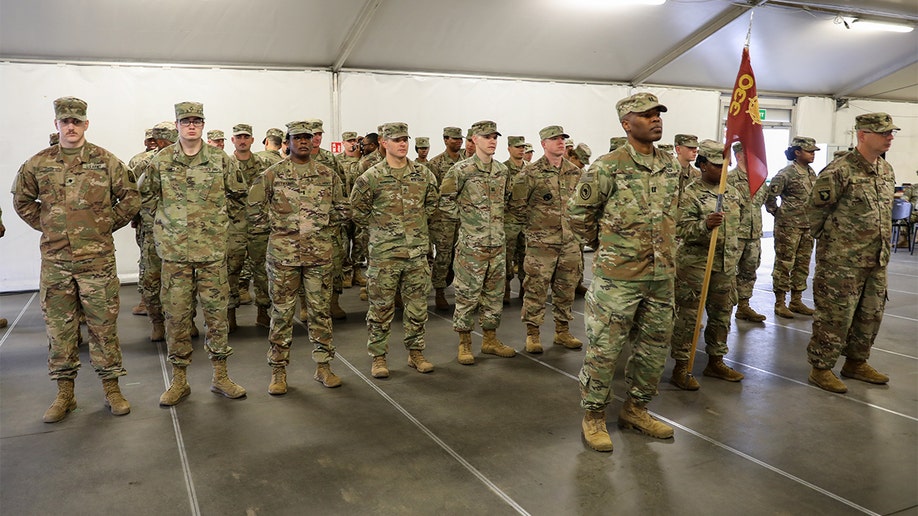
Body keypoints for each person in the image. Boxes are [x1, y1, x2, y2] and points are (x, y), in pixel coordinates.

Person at [12, 96, 139, 422]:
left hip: (96, 260)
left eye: (76, 121)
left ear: (85, 124)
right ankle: (64, 394)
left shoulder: (105, 161)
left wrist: (104, 224)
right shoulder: (38, 163)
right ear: (56, 125)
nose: (70, 126)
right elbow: (22, 199)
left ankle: (112, 388)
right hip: (56, 261)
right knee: (59, 328)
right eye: (64, 121)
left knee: (103, 326)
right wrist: (48, 224)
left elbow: (130, 197)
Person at [567, 92, 679, 452]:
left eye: (657, 114)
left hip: (661, 276)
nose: (655, 119)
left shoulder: (671, 165)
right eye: (646, 115)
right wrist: (607, 247)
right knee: (605, 350)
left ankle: (637, 409)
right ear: (626, 124)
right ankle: (594, 416)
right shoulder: (606, 167)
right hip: (618, 279)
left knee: (653, 349)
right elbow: (578, 216)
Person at [141, 101, 247, 406]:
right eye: (185, 121)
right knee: (176, 316)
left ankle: (221, 376)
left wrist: (221, 227)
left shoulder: (219, 159)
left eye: (197, 121)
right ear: (176, 125)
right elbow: (146, 198)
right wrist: (165, 228)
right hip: (175, 255)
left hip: (212, 252)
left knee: (217, 315)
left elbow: (239, 197)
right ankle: (179, 380)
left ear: (203, 125)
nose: (191, 125)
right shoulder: (160, 160)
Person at [255, 121, 350, 394]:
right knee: (282, 314)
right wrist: (279, 229)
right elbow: (254, 211)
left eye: (308, 137)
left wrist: (321, 228)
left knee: (320, 312)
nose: (304, 142)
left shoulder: (327, 174)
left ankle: (324, 366)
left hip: (319, 256)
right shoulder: (273, 174)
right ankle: (278, 371)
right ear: (288, 142)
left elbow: (343, 209)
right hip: (283, 257)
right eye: (298, 137)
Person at [805, 113, 897, 393]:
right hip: (841, 262)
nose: (889, 137)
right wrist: (837, 246)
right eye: (883, 133)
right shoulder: (839, 170)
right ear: (862, 135)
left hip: (876, 258)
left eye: (891, 133)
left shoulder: (886, 170)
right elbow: (814, 215)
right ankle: (821, 368)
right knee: (835, 316)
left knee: (870, 315)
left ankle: (856, 362)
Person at [350, 122, 439, 378]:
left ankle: (416, 353)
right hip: (385, 256)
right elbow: (358, 212)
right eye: (396, 139)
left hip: (416, 253)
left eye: (405, 139)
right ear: (383, 143)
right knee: (380, 308)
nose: (402, 144)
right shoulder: (371, 177)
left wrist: (415, 228)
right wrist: (382, 232)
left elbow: (432, 205)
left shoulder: (423, 174)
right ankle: (378, 357)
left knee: (418, 307)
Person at [669, 140, 745, 391]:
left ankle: (716, 360)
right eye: (716, 166)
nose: (723, 171)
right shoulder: (689, 194)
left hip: (725, 265)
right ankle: (681, 365)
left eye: (726, 166)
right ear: (702, 165)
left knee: (722, 315)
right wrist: (705, 226)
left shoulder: (732, 193)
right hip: (696, 265)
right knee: (689, 317)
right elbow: (679, 229)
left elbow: (738, 228)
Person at [439, 121, 517, 364]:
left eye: (495, 136)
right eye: (487, 136)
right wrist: (468, 219)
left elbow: (506, 201)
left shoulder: (502, 171)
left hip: (497, 245)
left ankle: (490, 340)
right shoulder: (461, 170)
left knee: (494, 294)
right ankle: (464, 343)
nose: (492, 140)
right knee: (467, 295)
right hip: (472, 246)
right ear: (474, 139)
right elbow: (445, 201)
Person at [508, 125, 583, 354]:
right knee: (536, 289)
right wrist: (532, 232)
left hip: (569, 242)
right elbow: (517, 208)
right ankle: (533, 333)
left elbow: (582, 206)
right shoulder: (530, 174)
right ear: (543, 144)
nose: (560, 142)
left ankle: (562, 331)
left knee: (566, 288)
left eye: (562, 138)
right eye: (554, 139)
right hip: (541, 245)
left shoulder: (575, 172)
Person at [765, 136, 819, 318]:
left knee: (802, 264)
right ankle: (780, 302)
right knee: (784, 264)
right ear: (797, 152)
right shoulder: (786, 173)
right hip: (788, 227)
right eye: (809, 151)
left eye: (813, 151)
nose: (813, 154)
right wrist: (778, 214)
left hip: (807, 226)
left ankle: (796, 300)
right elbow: (770, 197)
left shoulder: (811, 173)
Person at [133, 122, 177, 341]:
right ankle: (157, 323)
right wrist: (137, 219)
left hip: (178, 234)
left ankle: (182, 323)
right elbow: (131, 194)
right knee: (151, 279)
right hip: (151, 231)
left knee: (181, 283)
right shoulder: (144, 165)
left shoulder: (182, 163)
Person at [306, 119, 349, 320]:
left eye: (319, 134)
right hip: (305, 224)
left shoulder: (330, 160)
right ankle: (305, 306)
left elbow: (341, 187)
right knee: (304, 265)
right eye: (313, 134)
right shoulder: (297, 159)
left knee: (336, 262)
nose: (316, 138)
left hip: (330, 222)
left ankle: (334, 302)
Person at [229, 124, 269, 329]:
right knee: (230, 270)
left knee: (262, 271)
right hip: (233, 226)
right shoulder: (225, 164)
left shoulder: (263, 166)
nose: (242, 140)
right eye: (239, 137)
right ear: (232, 140)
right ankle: (230, 315)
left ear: (252, 140)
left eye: (246, 137)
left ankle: (263, 311)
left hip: (259, 225)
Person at [727, 142, 769, 322]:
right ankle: (724, 308)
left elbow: (764, 200)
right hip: (735, 234)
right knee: (727, 273)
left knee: (749, 271)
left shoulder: (758, 178)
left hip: (754, 233)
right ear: (739, 156)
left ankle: (743, 306)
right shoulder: (729, 180)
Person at [426, 126, 465, 310]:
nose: (458, 141)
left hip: (464, 218)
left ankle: (464, 290)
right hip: (443, 219)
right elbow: (432, 193)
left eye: (460, 139)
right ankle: (440, 291)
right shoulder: (435, 163)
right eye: (453, 139)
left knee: (463, 256)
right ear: (445, 140)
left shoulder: (467, 162)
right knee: (443, 255)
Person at [503, 135, 528, 304]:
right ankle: (505, 288)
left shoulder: (530, 170)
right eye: (517, 147)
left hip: (527, 220)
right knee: (507, 256)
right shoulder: (503, 170)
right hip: (509, 220)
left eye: (523, 147)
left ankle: (524, 287)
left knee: (526, 256)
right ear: (509, 149)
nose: (521, 149)